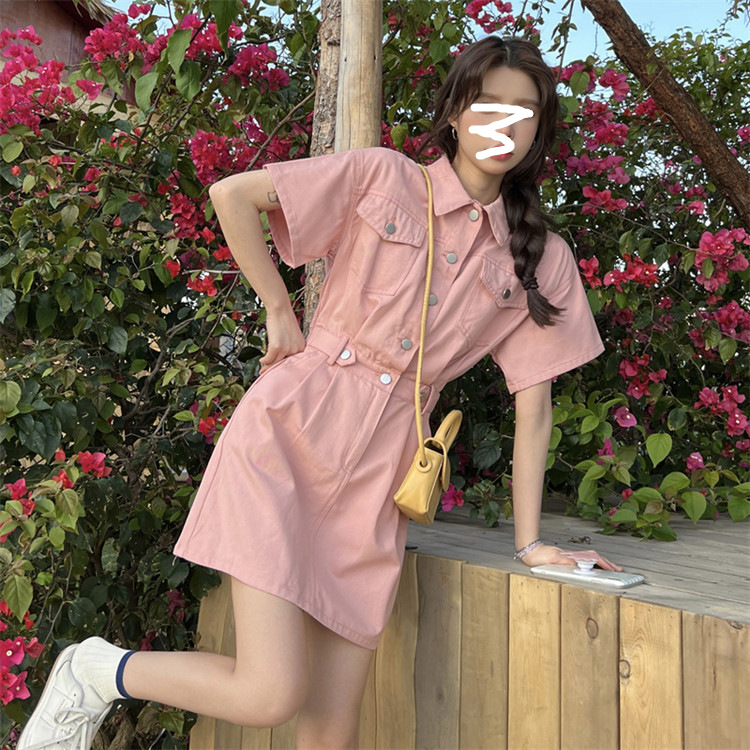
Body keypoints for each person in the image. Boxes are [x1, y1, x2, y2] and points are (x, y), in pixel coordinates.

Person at [19, 35, 621, 750]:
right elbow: (233, 195)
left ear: (539, 130)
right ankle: (94, 671)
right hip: (289, 436)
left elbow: (535, 407)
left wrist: (530, 544)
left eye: (524, 111)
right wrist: (279, 310)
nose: (504, 124)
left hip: (380, 482)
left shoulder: (541, 256)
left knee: (330, 732)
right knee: (269, 692)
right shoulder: (385, 177)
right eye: (488, 103)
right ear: (456, 111)